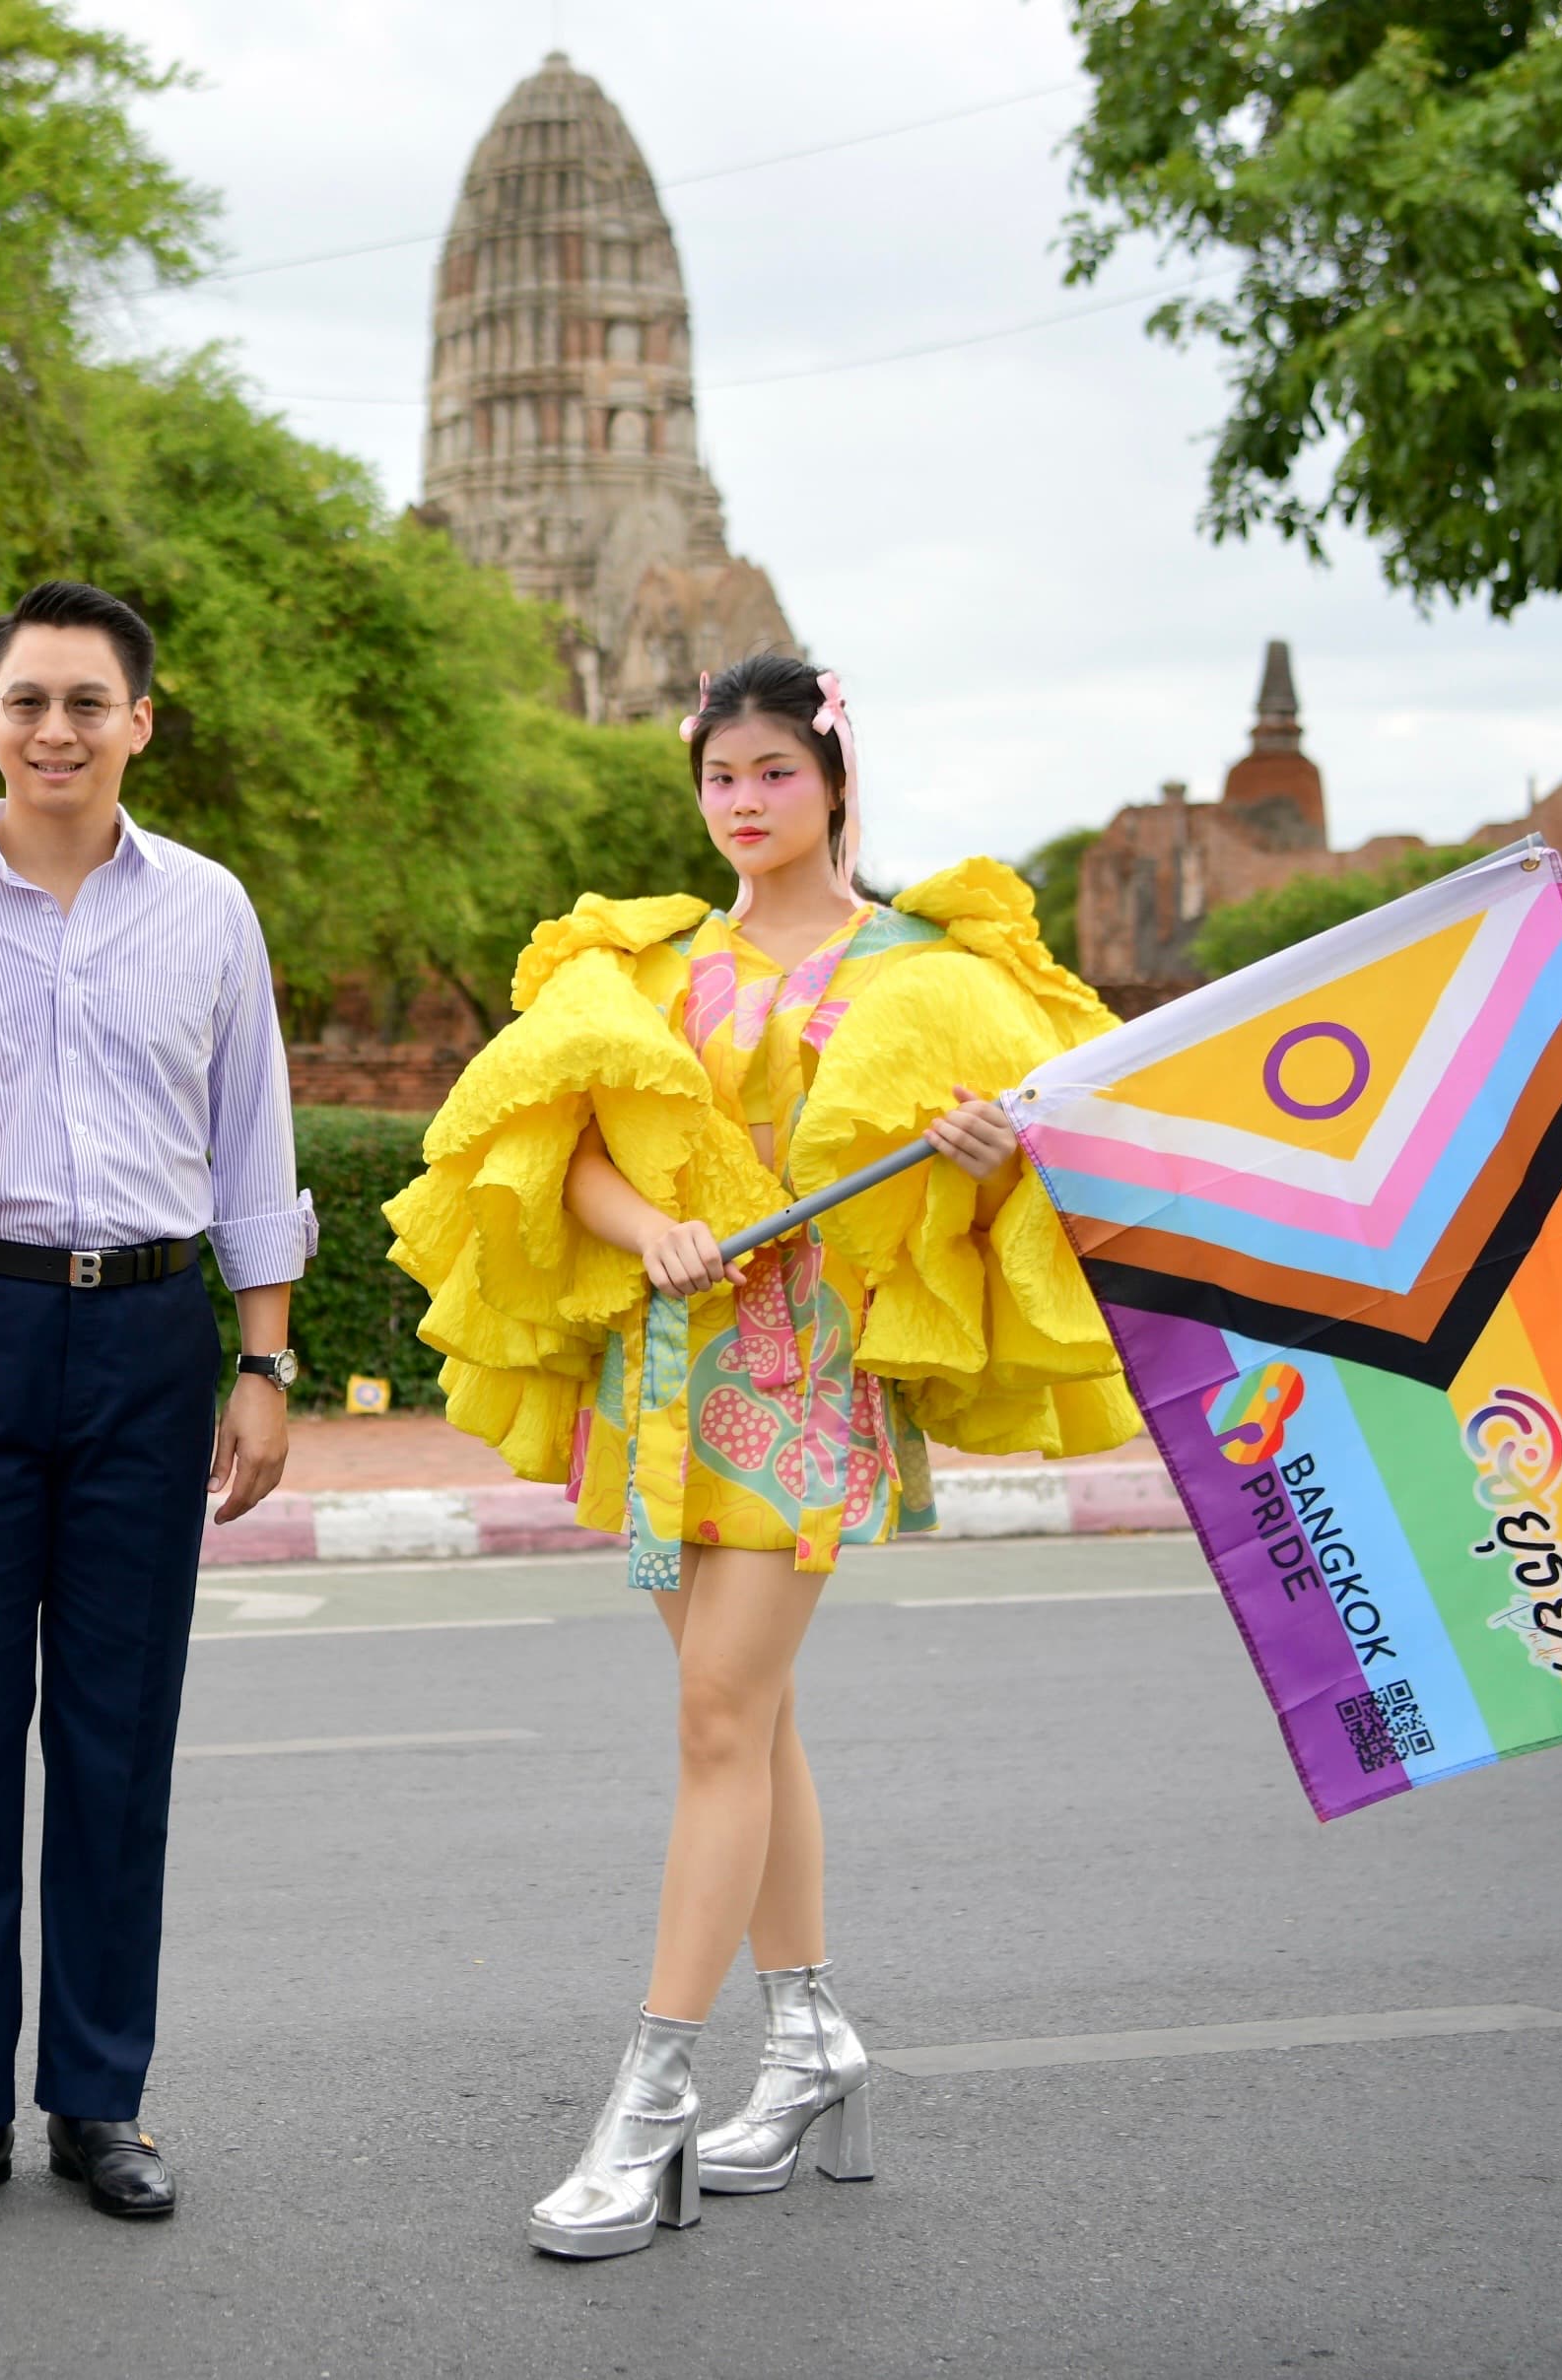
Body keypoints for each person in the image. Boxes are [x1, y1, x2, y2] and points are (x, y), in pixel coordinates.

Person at [387, 653, 1134, 2260]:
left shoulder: (929, 969)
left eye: (771, 775)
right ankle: (806, 2042)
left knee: (717, 1711)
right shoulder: (647, 970)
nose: (739, 804)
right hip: (662, 1379)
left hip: (811, 1384)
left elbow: (1054, 1161)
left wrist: (987, 1151)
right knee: (750, 1714)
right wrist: (651, 1222)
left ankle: (648, 2101)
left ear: (836, 782)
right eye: (719, 777)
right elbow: (563, 1147)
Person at [0, 578, 309, 2230]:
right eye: (26, 700)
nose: (54, 730)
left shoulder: (209, 911)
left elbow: (253, 1148)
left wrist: (263, 1358)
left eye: (87, 703)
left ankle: (100, 2100)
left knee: (113, 1736)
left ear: (138, 723)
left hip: (153, 1343)